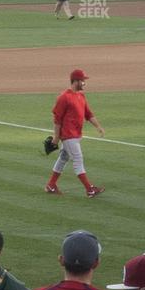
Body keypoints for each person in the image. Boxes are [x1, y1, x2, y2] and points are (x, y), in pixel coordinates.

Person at [46, 69, 105, 197]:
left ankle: (51, 185)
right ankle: (89, 190)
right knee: (78, 159)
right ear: (75, 81)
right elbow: (57, 118)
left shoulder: (81, 96)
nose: (84, 83)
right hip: (68, 135)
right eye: (82, 81)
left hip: (76, 135)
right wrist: (56, 137)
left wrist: (98, 127)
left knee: (63, 158)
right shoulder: (64, 97)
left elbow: (88, 114)